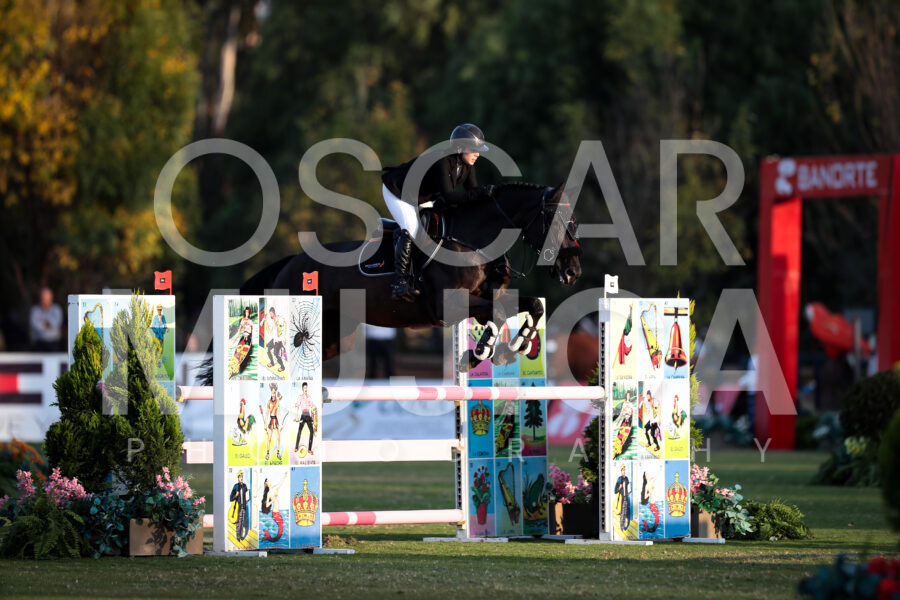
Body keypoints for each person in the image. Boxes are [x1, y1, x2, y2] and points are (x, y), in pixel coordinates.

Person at [381, 123, 494, 302]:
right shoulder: (442, 161)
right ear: (459, 148)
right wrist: (481, 193)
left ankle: (422, 276)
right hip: (398, 192)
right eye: (473, 150)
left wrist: (492, 201)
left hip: (422, 196)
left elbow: (473, 194)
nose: (477, 154)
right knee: (411, 230)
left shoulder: (467, 166)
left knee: (436, 229)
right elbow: (449, 196)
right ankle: (399, 282)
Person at [30, 287, 63, 351]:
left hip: (54, 344)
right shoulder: (35, 310)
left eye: (46, 298)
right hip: (39, 344)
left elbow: (56, 323)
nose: (44, 300)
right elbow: (36, 326)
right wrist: (48, 324)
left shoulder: (57, 309)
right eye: (43, 298)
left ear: (51, 298)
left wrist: (43, 323)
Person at [293, 382, 315, 455]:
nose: (306, 389)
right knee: (299, 430)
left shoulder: (309, 397)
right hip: (303, 415)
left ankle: (309, 449)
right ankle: (296, 447)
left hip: (308, 415)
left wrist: (313, 416)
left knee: (311, 431)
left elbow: (312, 407)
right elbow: (297, 406)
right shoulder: (300, 397)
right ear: (302, 388)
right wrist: (296, 417)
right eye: (304, 387)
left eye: (306, 387)